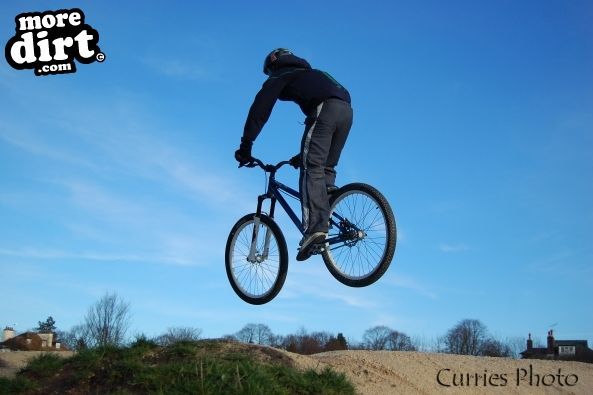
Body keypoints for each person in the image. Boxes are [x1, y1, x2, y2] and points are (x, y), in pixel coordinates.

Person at [235, 48, 353, 261]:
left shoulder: (282, 73)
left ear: (273, 63)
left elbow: (260, 109)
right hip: (346, 111)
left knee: (311, 168)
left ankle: (315, 230)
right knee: (324, 167)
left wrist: (246, 146)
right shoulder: (312, 73)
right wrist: (303, 155)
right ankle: (330, 203)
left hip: (325, 108)